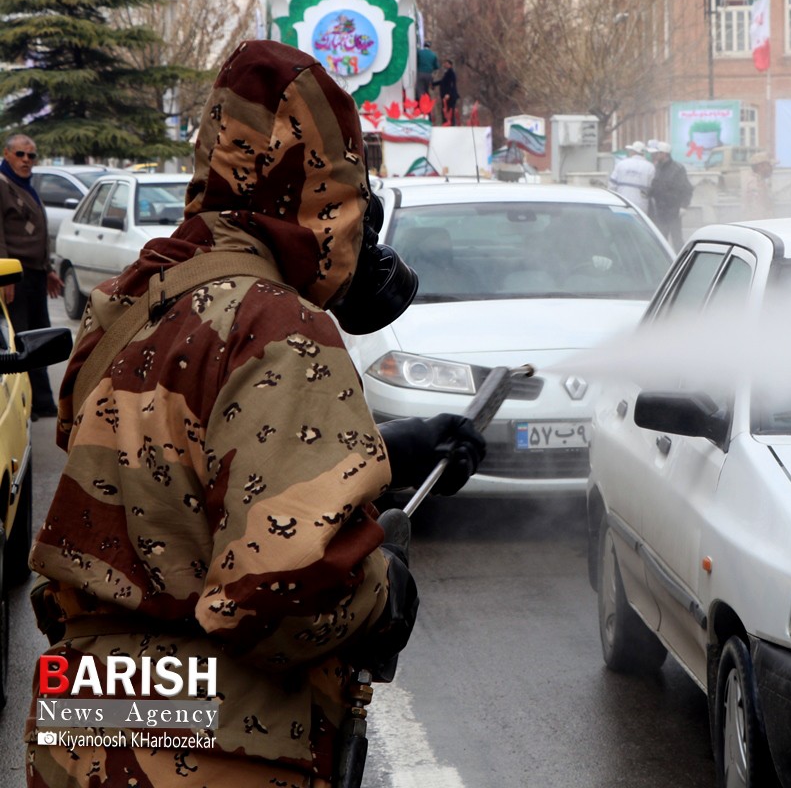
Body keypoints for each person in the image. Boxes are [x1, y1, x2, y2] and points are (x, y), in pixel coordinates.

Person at [26, 40, 485, 787]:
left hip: (84, 725)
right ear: (324, 190)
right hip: (204, 752)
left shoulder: (138, 296)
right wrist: (383, 591)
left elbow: (163, 469)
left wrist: (380, 454)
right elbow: (278, 596)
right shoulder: (279, 326)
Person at [0, 132, 63, 419]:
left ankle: (43, 402)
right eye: (21, 154)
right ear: (7, 154)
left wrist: (48, 270)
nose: (27, 160)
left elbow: (38, 233)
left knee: (40, 341)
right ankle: (25, 405)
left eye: (31, 155)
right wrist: (5, 274)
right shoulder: (2, 185)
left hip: (36, 274)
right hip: (14, 275)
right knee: (22, 342)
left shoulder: (26, 185)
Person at [647, 141, 692, 248]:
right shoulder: (657, 168)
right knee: (661, 240)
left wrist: (684, 206)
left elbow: (687, 189)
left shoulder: (678, 169)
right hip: (660, 211)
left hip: (673, 210)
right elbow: (655, 186)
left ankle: (681, 261)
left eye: (658, 153)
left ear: (664, 154)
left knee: (677, 239)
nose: (655, 155)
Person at [608, 141, 654, 210]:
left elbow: (612, 185)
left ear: (632, 151)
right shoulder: (650, 167)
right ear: (643, 153)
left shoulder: (621, 164)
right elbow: (651, 187)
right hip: (640, 205)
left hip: (621, 202)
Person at [743, 152, 776, 220]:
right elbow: (756, 207)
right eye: (769, 165)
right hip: (758, 223)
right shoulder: (754, 183)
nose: (771, 168)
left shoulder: (760, 180)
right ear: (760, 166)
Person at [436, 58, 459, 126]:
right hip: (446, 95)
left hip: (450, 96)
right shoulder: (447, 73)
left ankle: (451, 124)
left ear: (450, 65)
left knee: (450, 110)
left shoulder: (451, 73)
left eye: (446, 64)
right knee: (445, 110)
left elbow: (452, 84)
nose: (445, 65)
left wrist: (449, 93)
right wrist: (433, 84)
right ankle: (446, 123)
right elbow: (442, 82)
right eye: (444, 63)